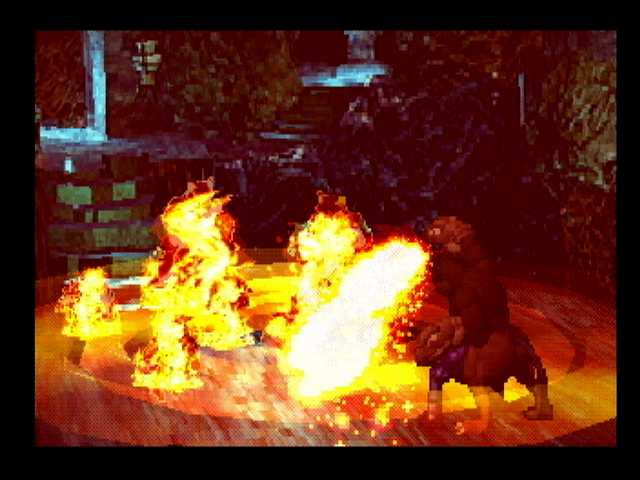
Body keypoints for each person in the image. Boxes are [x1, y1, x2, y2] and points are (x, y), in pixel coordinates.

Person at [414, 216, 553, 434]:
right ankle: (542, 405)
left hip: (486, 336)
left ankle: (480, 420)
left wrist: (459, 329)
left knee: (468, 372)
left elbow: (474, 315)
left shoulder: (467, 279)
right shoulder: (469, 268)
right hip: (495, 329)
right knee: (525, 360)